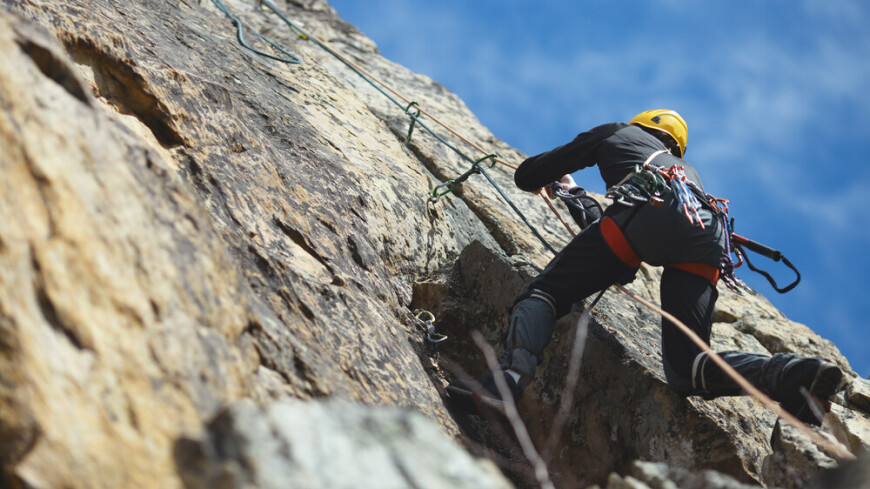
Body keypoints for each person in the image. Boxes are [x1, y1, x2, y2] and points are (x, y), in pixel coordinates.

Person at [446, 109, 843, 426]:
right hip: (709, 235)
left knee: (546, 293)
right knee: (688, 369)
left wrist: (559, 181)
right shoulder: (690, 173)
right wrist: (580, 202)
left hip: (649, 210)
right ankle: (786, 374)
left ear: (643, 125)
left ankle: (509, 379)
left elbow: (528, 175)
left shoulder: (618, 131)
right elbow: (618, 257)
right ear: (677, 146)